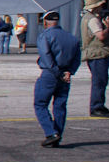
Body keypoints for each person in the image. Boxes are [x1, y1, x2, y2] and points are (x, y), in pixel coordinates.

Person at [34, 11, 81, 146]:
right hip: (65, 75)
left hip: (50, 74)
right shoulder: (72, 37)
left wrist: (57, 72)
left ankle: (51, 132)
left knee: (40, 104)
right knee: (60, 106)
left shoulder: (45, 36)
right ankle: (57, 136)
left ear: (45, 22)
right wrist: (69, 72)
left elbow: (47, 57)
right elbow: (77, 58)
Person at [80, 0, 109, 117]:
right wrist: (108, 26)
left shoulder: (86, 18)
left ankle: (98, 105)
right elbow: (101, 36)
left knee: (99, 81)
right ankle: (96, 106)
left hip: (93, 53)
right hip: (97, 54)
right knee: (99, 81)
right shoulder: (93, 20)